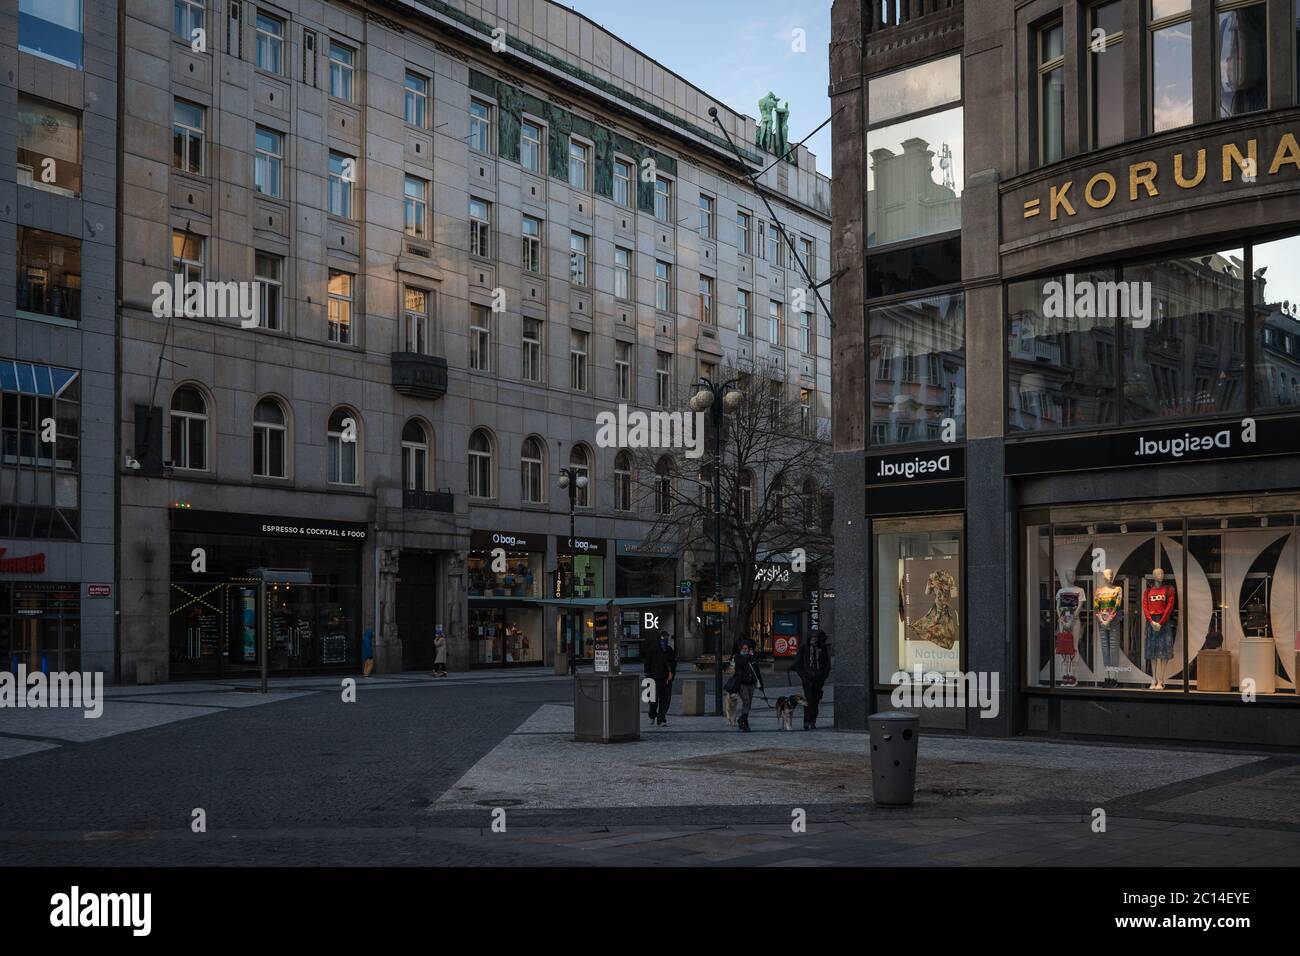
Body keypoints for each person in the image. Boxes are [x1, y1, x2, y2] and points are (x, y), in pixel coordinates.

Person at [794, 629, 831, 729]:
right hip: (807, 679)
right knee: (808, 700)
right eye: (812, 638)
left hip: (819, 679)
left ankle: (813, 720)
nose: (814, 640)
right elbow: (797, 664)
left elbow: (827, 664)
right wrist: (803, 676)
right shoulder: (803, 647)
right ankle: (807, 720)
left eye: (815, 638)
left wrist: (824, 676)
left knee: (815, 701)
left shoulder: (822, 648)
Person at [730, 634, 763, 732]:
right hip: (742, 683)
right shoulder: (738, 656)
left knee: (748, 704)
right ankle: (745, 722)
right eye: (744, 648)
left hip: (751, 683)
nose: (745, 649)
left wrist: (761, 684)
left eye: (747, 648)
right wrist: (749, 655)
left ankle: (742, 720)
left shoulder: (752, 657)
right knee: (746, 701)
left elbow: (757, 671)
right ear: (741, 648)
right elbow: (742, 663)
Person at [645, 634, 676, 726]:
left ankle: (659, 718)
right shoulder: (655, 649)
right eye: (663, 639)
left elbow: (673, 663)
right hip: (657, 679)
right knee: (657, 701)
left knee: (660, 700)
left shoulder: (667, 650)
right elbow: (647, 663)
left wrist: (671, 674)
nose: (665, 641)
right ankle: (655, 716)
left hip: (661, 679)